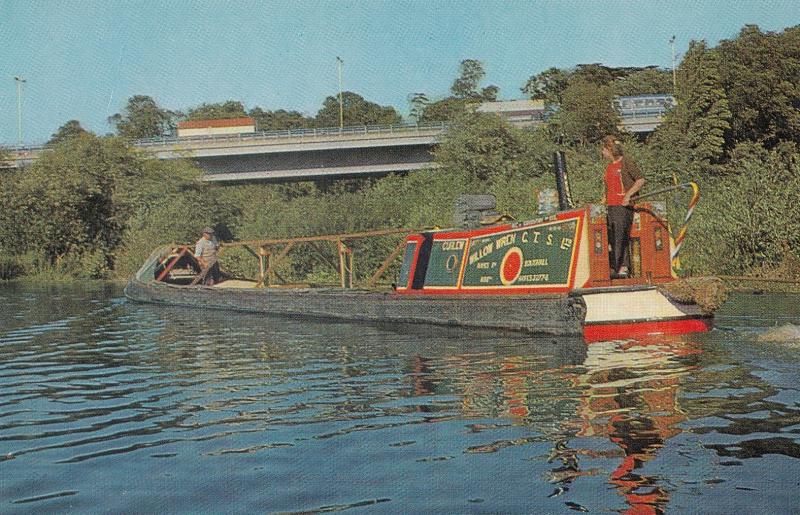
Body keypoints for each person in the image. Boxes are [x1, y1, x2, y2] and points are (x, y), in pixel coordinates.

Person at [602, 136, 645, 279]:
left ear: (609, 150)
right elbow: (608, 187)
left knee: (620, 235)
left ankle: (620, 267)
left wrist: (628, 196)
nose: (602, 152)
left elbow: (640, 180)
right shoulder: (609, 167)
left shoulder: (626, 163)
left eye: (604, 149)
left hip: (622, 205)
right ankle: (619, 265)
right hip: (610, 206)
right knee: (612, 236)